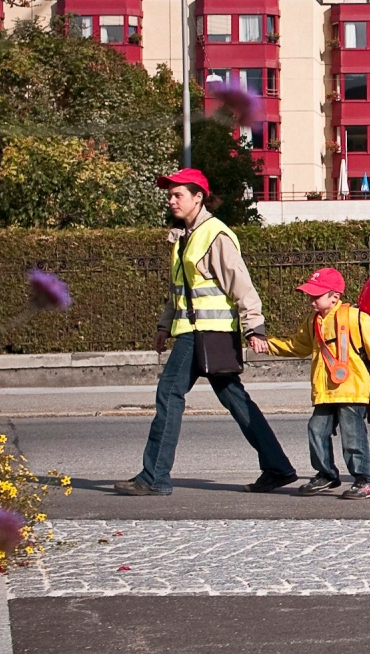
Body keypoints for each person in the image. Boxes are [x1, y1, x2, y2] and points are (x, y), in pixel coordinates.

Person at [113, 169, 299, 497]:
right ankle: (277, 467)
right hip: (197, 331)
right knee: (235, 399)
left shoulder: (215, 235)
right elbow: (178, 290)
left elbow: (241, 284)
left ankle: (154, 476)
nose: (171, 200)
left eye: (178, 195)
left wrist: (254, 327)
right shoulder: (183, 237)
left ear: (198, 197)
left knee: (169, 395)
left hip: (205, 333)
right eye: (169, 195)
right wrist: (163, 325)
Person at [266, 267, 370, 498]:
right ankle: (326, 474)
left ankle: (365, 480)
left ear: (334, 297)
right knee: (316, 430)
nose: (311, 300)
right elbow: (298, 345)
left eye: (316, 295)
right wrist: (269, 346)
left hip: (353, 390)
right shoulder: (313, 321)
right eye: (310, 295)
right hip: (326, 391)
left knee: (353, 436)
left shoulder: (356, 318)